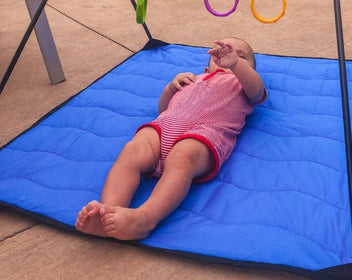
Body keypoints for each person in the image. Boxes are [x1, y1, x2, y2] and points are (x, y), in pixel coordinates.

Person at [75, 38, 266, 241]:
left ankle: (144, 219)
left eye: (241, 55)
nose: (229, 54)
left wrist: (236, 65)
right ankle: (108, 210)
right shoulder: (194, 79)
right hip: (166, 125)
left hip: (205, 133)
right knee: (133, 150)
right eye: (221, 52)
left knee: (183, 157)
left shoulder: (242, 85)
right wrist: (171, 88)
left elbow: (257, 91)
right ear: (206, 66)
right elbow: (163, 110)